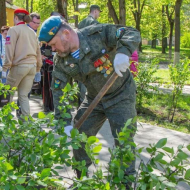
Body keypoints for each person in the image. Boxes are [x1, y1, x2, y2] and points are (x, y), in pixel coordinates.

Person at [39, 16, 140, 179]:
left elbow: (130, 32)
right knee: (79, 135)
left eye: (53, 44)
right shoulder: (61, 61)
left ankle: (126, 183)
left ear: (65, 34)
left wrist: (123, 52)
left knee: (124, 141)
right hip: (94, 99)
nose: (53, 49)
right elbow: (58, 90)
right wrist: (63, 122)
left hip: (121, 94)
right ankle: (82, 179)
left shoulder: (97, 34)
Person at [2, 8, 42, 117]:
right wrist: (38, 69)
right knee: (23, 96)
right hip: (32, 67)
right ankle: (26, 124)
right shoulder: (32, 32)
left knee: (7, 93)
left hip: (19, 66)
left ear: (15, 17)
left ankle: (5, 122)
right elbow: (38, 52)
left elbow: (9, 50)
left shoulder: (13, 30)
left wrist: (5, 68)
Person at [77, 4, 102, 105]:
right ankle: (90, 107)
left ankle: (81, 106)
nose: (99, 15)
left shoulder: (81, 23)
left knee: (81, 83)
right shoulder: (95, 23)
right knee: (92, 83)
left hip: (81, 56)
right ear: (95, 11)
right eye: (99, 13)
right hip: (92, 57)